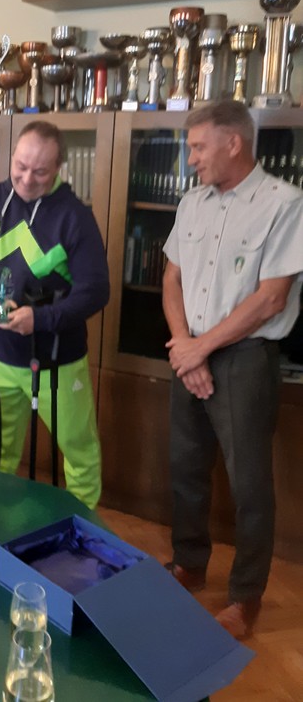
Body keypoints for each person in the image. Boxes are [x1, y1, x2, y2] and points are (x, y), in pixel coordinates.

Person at [162, 100, 303, 639]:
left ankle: (246, 597)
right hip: (188, 350)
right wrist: (185, 346)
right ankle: (189, 564)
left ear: (233, 142)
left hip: (245, 359)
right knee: (186, 468)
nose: (192, 158)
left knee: (250, 485)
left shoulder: (284, 203)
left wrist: (200, 349)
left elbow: (271, 298)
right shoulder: (191, 203)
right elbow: (171, 279)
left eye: (199, 146)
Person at [0, 120, 110, 508]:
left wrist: (40, 319)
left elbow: (95, 291)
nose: (25, 179)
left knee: (79, 452)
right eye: (20, 166)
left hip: (58, 359)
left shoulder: (74, 216)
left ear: (58, 168)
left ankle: (83, 529)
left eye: (39, 172)